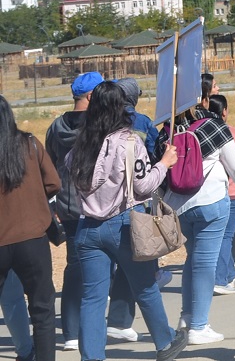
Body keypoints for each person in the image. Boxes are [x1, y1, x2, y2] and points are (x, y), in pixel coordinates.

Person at [68, 81, 186, 361]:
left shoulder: (81, 143)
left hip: (87, 227)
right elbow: (144, 187)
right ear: (122, 106)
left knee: (93, 299)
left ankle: (92, 357)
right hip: (122, 224)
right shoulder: (129, 141)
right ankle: (165, 342)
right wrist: (164, 164)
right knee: (144, 287)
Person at [166, 88, 235, 345]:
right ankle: (199, 325)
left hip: (179, 206)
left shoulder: (167, 130)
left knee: (192, 260)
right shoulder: (213, 126)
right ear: (204, 100)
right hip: (211, 202)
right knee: (205, 264)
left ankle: (187, 318)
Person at [0, 94, 61, 361]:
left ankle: (24, 350)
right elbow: (54, 184)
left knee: (11, 301)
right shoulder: (29, 145)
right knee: (43, 310)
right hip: (33, 239)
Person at [47, 71, 100, 352]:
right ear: (92, 96)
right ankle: (94, 327)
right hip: (95, 205)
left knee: (74, 266)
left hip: (66, 205)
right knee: (100, 266)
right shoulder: (98, 125)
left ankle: (70, 331)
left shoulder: (56, 126)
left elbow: (51, 163)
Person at [210, 96, 235, 297]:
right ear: (224, 111)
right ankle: (224, 276)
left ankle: (224, 275)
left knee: (223, 236)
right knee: (225, 236)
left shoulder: (203, 132)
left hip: (220, 194)